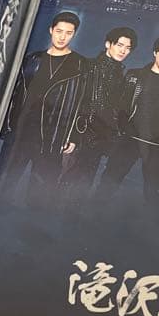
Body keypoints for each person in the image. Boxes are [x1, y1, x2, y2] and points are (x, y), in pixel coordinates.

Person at [1, 11, 87, 205]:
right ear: (51, 30)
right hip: (20, 133)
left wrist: (74, 136)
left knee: (40, 193)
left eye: (68, 33)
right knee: (4, 184)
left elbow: (82, 103)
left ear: (74, 34)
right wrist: (6, 126)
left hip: (52, 136)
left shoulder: (80, 65)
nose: (62, 37)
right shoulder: (32, 59)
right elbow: (14, 94)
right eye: (59, 31)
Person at [97, 34, 159, 206]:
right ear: (155, 52)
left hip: (157, 148)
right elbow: (120, 107)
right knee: (107, 185)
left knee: (153, 196)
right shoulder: (134, 75)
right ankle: (90, 217)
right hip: (129, 140)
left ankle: (149, 222)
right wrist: (119, 133)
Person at [63, 27, 137, 197]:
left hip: (99, 140)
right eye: (119, 45)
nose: (123, 51)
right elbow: (74, 102)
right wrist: (72, 136)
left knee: (83, 185)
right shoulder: (88, 66)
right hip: (81, 136)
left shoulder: (119, 74)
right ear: (108, 44)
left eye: (128, 48)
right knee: (67, 183)